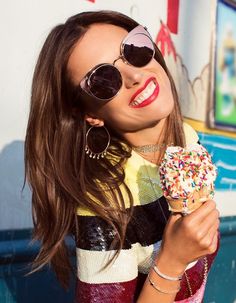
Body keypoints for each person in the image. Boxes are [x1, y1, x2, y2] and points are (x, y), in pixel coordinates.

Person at [24, 10, 220, 303]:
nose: (136, 75)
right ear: (90, 114)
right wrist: (171, 262)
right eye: (103, 80)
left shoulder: (188, 140)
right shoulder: (104, 201)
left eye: (134, 49)